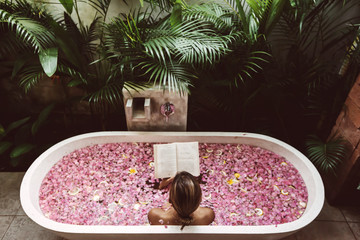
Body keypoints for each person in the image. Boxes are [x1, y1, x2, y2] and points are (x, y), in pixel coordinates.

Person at [148, 171, 215, 230]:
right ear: (200, 199)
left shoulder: (155, 215)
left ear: (169, 200)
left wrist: (160, 187)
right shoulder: (208, 215)